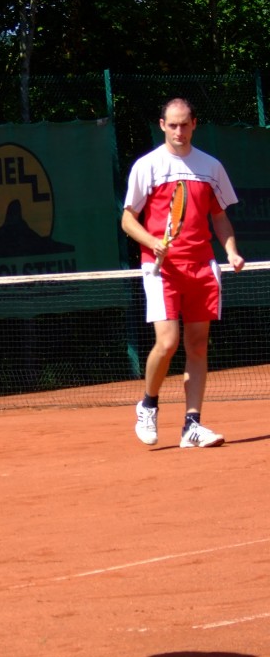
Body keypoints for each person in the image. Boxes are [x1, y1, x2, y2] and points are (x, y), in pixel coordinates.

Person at [121, 97, 244, 449]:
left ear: (194, 124)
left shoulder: (210, 167)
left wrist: (231, 251)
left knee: (197, 346)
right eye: (172, 125)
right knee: (168, 341)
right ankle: (148, 403)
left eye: (184, 124)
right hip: (161, 268)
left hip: (202, 266)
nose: (178, 131)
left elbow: (219, 216)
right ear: (162, 125)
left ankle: (192, 424)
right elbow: (128, 219)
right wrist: (151, 241)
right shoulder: (148, 166)